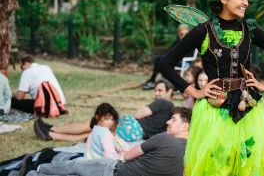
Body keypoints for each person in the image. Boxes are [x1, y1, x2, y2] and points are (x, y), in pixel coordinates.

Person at [159, 0, 264, 175]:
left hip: (248, 108)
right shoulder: (203, 31)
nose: (246, 2)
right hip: (214, 110)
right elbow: (165, 63)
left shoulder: (250, 29)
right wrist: (193, 91)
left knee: (246, 163)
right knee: (218, 164)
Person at [24, 107, 191, 176]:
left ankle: (36, 169)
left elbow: (126, 156)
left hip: (114, 170)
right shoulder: (192, 153)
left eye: (173, 120)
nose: (168, 122)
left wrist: (121, 148)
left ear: (185, 126)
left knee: (75, 166)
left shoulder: (163, 138)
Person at [34, 80, 174, 142]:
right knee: (93, 133)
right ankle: (51, 135)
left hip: (132, 127)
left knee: (92, 124)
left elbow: (138, 114)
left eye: (160, 90)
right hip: (136, 136)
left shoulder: (163, 103)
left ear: (170, 91)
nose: (156, 93)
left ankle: (52, 128)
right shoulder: (173, 112)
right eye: (155, 90)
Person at [142, 24, 190, 90]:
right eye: (181, 34)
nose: (184, 36)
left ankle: (153, 80)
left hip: (184, 62)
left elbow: (190, 56)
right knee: (159, 58)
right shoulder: (177, 42)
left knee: (161, 59)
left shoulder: (191, 42)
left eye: (186, 34)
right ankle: (154, 80)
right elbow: (169, 51)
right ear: (178, 34)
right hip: (175, 60)